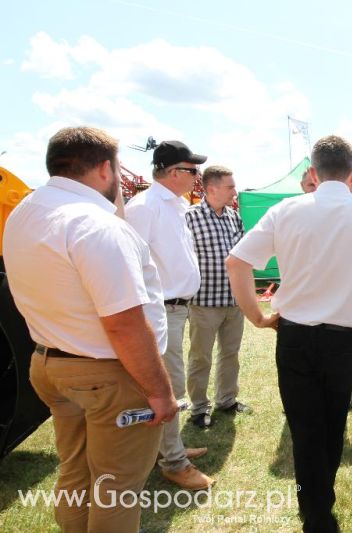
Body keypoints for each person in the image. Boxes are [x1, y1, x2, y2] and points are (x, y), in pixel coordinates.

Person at [226, 135, 352, 532]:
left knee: (304, 427)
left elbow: (237, 262)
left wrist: (257, 318)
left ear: (313, 173)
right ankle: (319, 505)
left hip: (295, 335)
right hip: (342, 340)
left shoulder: (286, 211)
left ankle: (314, 509)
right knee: (332, 422)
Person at [2, 126, 179, 532]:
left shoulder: (24, 214)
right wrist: (160, 391)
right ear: (104, 168)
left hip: (51, 363)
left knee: (77, 476)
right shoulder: (96, 225)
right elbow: (123, 323)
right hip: (107, 374)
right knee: (116, 490)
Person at [125, 140, 213, 490]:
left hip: (176, 307)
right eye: (193, 171)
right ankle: (172, 462)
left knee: (172, 383)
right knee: (169, 385)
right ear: (174, 172)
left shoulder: (171, 205)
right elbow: (131, 264)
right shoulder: (145, 207)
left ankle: (171, 449)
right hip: (159, 310)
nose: (198, 177)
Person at [185, 165, 249, 429]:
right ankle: (199, 408)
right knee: (201, 356)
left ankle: (227, 399)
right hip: (203, 302)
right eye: (230, 186)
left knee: (230, 354)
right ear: (211, 189)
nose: (235, 191)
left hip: (233, 301)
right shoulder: (189, 217)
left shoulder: (234, 217)